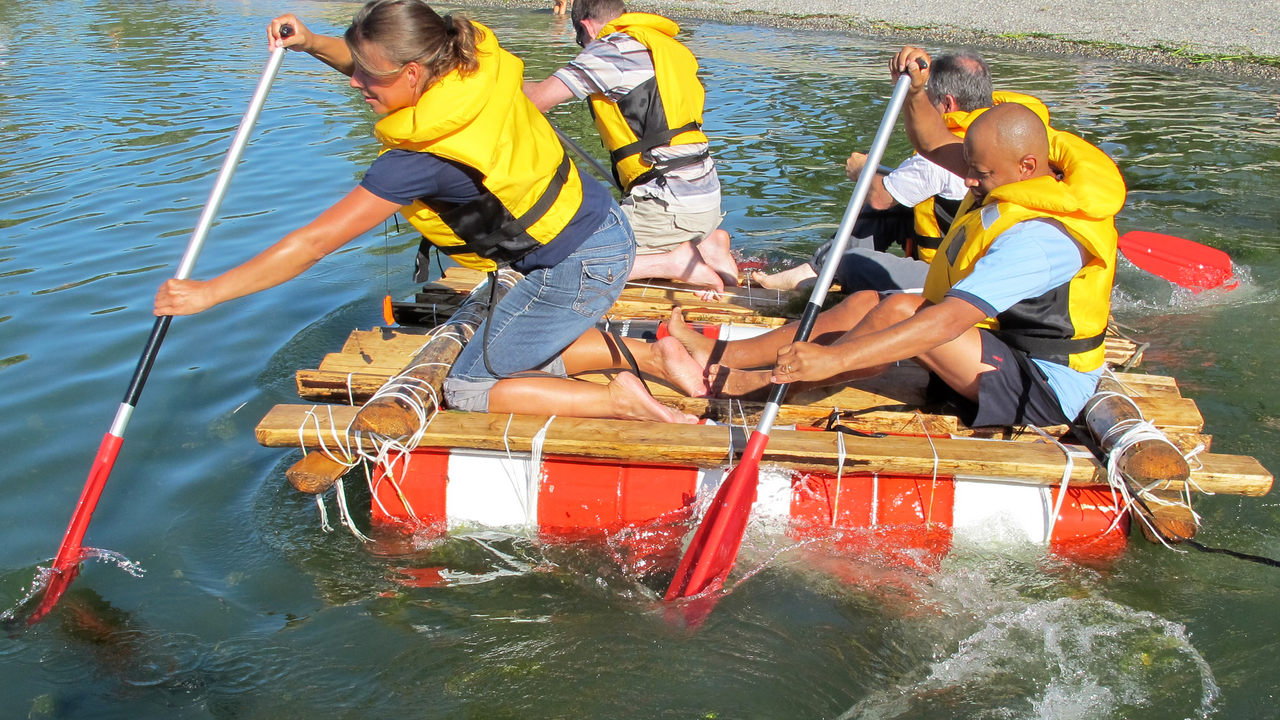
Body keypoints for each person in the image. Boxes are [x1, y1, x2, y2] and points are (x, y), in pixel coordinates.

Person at [154, 0, 703, 424]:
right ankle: (653, 357)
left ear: (413, 74)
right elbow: (381, 68)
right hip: (598, 229)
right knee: (505, 347)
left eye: (367, 75)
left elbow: (313, 244)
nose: (355, 82)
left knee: (469, 386)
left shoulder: (418, 161)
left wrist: (207, 293)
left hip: (578, 264)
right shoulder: (468, 62)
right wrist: (313, 42)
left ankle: (619, 400)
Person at [656, 47, 1126, 428]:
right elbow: (932, 143)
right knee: (866, 302)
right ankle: (723, 353)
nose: (967, 181)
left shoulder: (1042, 236)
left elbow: (946, 321)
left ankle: (773, 385)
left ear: (1027, 166)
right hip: (996, 347)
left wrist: (831, 362)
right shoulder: (1013, 179)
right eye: (971, 168)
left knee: (900, 309)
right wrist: (917, 92)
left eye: (979, 174)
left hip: (1040, 386)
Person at [753, 52, 1052, 295]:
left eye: (930, 101)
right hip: (965, 256)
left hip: (957, 279)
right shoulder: (1006, 135)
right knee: (896, 207)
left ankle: (824, 270)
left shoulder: (955, 149)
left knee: (854, 253)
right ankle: (816, 269)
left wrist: (861, 171)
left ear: (948, 104)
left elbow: (881, 196)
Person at [523, 0, 738, 298]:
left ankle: (673, 261)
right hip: (702, 198)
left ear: (585, 27)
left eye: (579, 41)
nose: (583, 48)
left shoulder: (611, 49)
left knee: (559, 265)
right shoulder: (662, 45)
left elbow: (537, 99)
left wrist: (497, 83)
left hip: (667, 205)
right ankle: (706, 243)